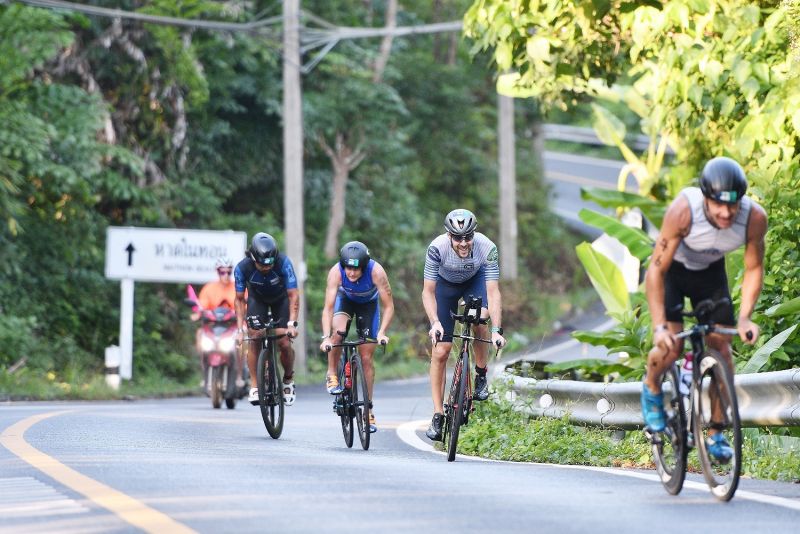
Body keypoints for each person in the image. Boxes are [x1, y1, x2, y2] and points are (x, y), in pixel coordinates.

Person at [641, 156, 767, 463]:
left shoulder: (754, 218)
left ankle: (716, 433)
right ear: (706, 198)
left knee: (722, 353)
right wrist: (659, 327)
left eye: (733, 206)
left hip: (710, 275)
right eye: (718, 205)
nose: (726, 213)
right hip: (674, 273)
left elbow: (754, 269)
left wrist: (744, 317)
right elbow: (655, 271)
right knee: (672, 347)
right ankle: (652, 386)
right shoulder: (684, 211)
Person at [422, 208, 507, 441]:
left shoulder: (487, 248)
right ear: (449, 235)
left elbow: (493, 291)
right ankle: (438, 415)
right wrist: (435, 322)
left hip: (475, 283)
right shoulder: (436, 248)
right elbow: (428, 291)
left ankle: (480, 375)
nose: (463, 243)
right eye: (457, 238)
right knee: (441, 350)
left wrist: (497, 330)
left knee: (480, 319)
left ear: (474, 234)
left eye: (467, 237)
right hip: (445, 288)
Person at [319, 241, 395, 433]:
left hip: (368, 305)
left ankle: (368, 410)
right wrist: (326, 337)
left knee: (367, 358)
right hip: (345, 301)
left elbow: (389, 306)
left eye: (356, 269)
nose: (351, 273)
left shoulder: (377, 272)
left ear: (365, 266)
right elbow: (328, 308)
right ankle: (332, 374)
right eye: (348, 269)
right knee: (338, 334)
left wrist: (382, 332)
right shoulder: (336, 272)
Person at [234, 233, 300, 407]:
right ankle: (255, 385)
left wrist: (292, 323)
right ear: (253, 258)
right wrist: (240, 330)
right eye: (262, 264)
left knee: (285, 342)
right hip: (258, 299)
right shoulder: (242, 268)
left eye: (270, 263)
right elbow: (240, 299)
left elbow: (294, 295)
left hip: (281, 299)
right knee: (254, 336)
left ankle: (288, 379)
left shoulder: (284, 263)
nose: (266, 267)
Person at [192, 257, 243, 389]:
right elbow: (202, 306)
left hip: (234, 325)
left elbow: (244, 305)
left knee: (244, 335)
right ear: (217, 272)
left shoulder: (238, 287)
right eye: (222, 272)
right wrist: (197, 314)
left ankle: (240, 374)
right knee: (200, 333)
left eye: (228, 272)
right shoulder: (209, 288)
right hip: (215, 326)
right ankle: (205, 371)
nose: (225, 275)